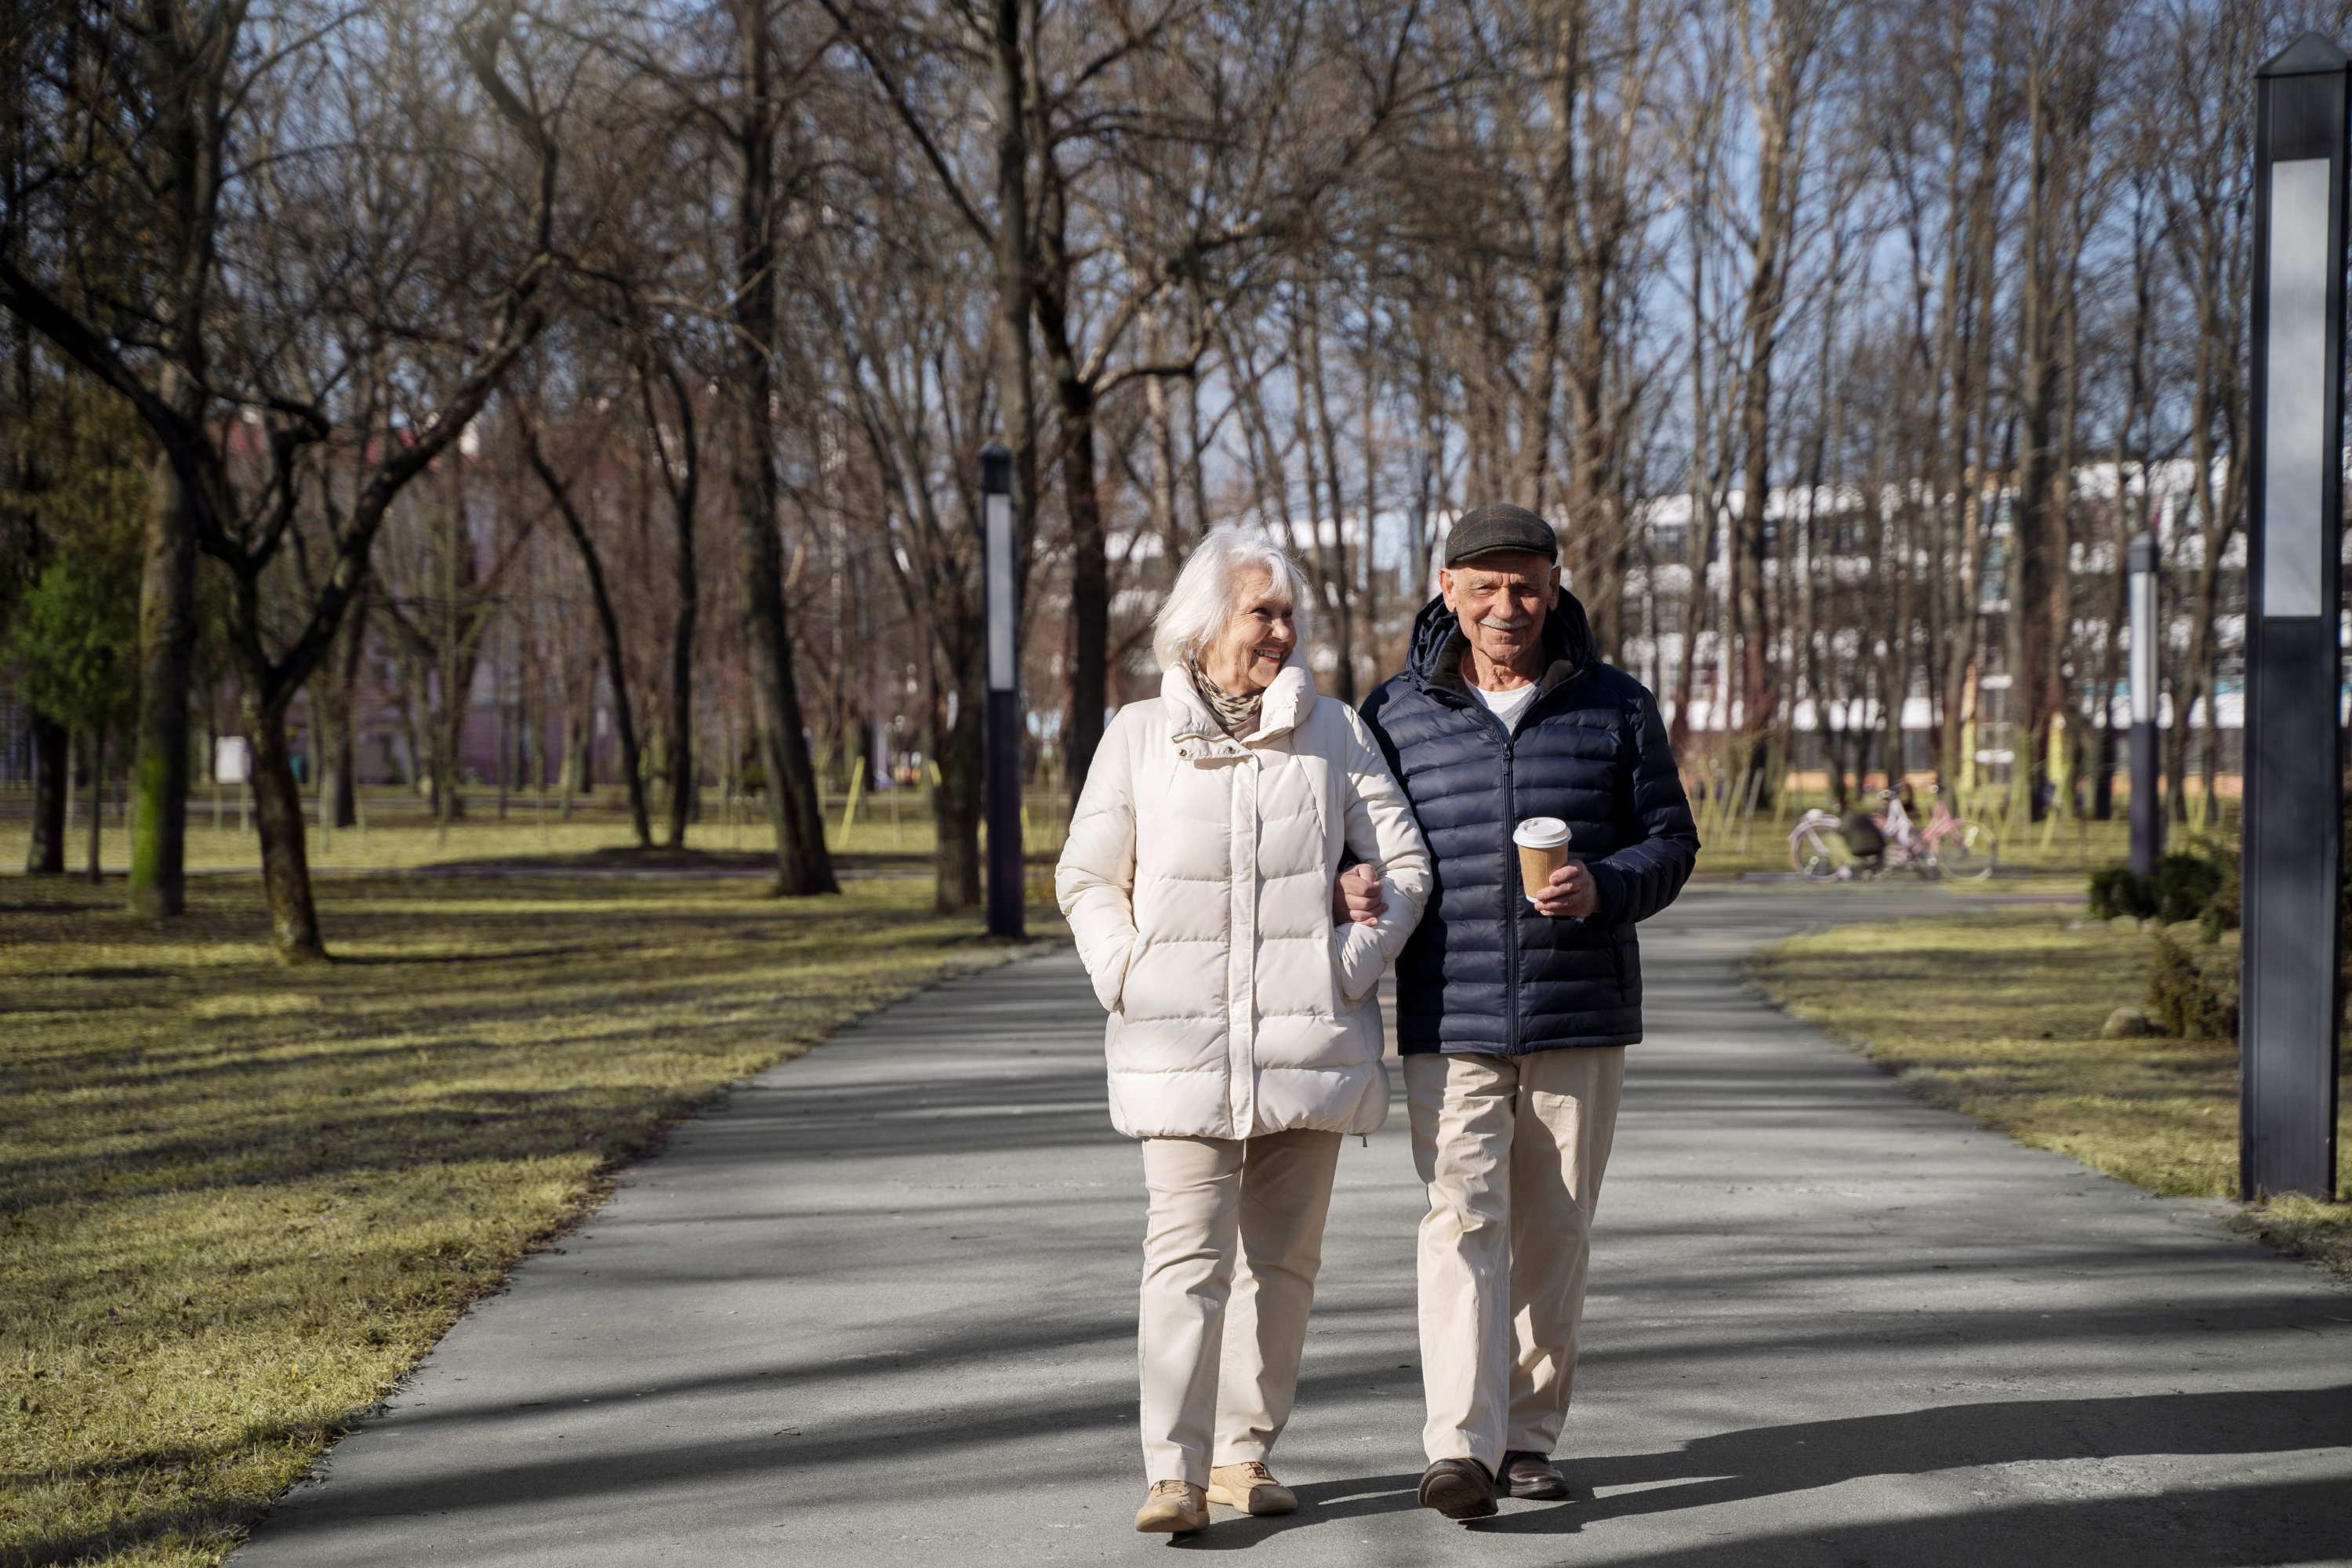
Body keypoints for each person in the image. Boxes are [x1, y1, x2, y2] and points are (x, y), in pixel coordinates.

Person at [1057, 528, 1432, 1536]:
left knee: (1285, 1265)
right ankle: (1171, 1471)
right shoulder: (1138, 734)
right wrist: (1125, 972)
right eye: (1262, 611)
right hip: (1176, 1046)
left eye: (1287, 613)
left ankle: (1244, 1456)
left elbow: (1404, 866)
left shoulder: (1336, 733)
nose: (1282, 630)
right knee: (1183, 1260)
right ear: (1204, 621)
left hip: (1306, 1046)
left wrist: (1348, 961)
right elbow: (1088, 877)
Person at [1347, 503, 1698, 1519]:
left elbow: (1670, 842)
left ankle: (1528, 1438)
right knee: (1461, 1221)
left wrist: (1605, 884)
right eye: (1486, 586)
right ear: (1448, 589)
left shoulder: (1616, 704)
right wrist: (1349, 885)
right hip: (1447, 1011)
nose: (1509, 605)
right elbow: (1354, 845)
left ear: (1556, 583)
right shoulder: (1394, 713)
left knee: (1553, 1228)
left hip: (1579, 1010)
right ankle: (1460, 1443)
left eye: (1527, 584)